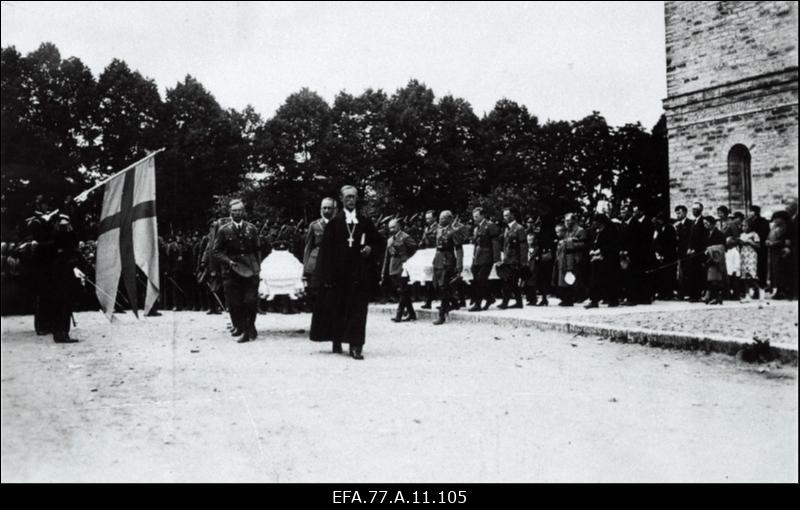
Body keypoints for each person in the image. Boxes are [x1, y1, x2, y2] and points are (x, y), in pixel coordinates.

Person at [310, 185, 380, 359]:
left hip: (359, 275)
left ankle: (356, 346)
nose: (351, 200)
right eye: (347, 197)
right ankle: (337, 340)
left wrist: (370, 248)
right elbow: (325, 253)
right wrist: (324, 277)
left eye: (353, 197)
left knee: (358, 310)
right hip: (339, 276)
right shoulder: (334, 223)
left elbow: (378, 242)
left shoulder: (364, 222)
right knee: (338, 308)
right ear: (341, 199)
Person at [212, 199, 261, 343]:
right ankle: (243, 329)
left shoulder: (251, 229)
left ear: (244, 212)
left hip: (250, 271)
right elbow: (216, 251)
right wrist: (228, 261)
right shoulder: (223, 230)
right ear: (230, 212)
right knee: (236, 303)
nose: (237, 213)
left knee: (250, 301)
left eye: (239, 210)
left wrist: (257, 268)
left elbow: (257, 249)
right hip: (232, 273)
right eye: (234, 211)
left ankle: (250, 326)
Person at [43, 213, 88, 343]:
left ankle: (59, 333)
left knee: (60, 306)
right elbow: (73, 251)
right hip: (64, 278)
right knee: (64, 306)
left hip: (58, 276)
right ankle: (62, 333)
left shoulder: (55, 243)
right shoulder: (68, 246)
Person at [430, 210, 464, 325]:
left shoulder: (454, 231)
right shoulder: (438, 230)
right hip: (438, 259)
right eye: (440, 218)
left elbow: (459, 249)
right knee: (436, 286)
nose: (440, 220)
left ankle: (442, 315)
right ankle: (454, 302)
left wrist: (459, 266)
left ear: (449, 219)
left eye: (444, 218)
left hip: (447, 260)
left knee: (444, 287)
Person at [381, 218, 418, 322]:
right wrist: (384, 272)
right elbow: (386, 257)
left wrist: (407, 260)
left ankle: (399, 315)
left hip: (403, 268)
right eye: (390, 228)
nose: (391, 229)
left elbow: (414, 248)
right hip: (393, 268)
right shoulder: (389, 240)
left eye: (393, 227)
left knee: (403, 291)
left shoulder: (405, 237)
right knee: (403, 292)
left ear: (399, 227)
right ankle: (412, 314)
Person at [303, 197, 335, 311]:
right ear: (320, 209)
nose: (326, 211)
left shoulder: (338, 224)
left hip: (333, 260)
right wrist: (305, 267)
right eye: (324, 208)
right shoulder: (314, 225)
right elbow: (308, 247)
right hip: (316, 260)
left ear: (334, 209)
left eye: (329, 208)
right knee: (315, 291)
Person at [469, 207, 501, 312]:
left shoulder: (490, 226)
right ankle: (489, 298)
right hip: (478, 257)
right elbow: (476, 244)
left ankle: (478, 304)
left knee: (481, 279)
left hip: (487, 257)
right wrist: (473, 257)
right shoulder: (477, 227)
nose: (474, 218)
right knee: (477, 280)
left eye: (476, 216)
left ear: (482, 215)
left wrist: (497, 259)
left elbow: (495, 243)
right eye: (474, 216)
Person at [585, 213, 620, 308]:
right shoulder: (595, 231)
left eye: (596, 221)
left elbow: (613, 244)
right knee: (594, 279)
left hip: (608, 259)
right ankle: (594, 300)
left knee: (609, 279)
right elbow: (591, 242)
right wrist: (592, 250)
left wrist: (601, 251)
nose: (594, 223)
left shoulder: (611, 230)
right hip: (596, 258)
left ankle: (613, 299)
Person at [496, 207, 527, 309]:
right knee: (511, 282)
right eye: (504, 215)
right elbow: (505, 246)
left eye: (506, 215)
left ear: (512, 215)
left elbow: (523, 247)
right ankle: (519, 302)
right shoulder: (506, 229)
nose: (504, 217)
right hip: (507, 260)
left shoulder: (519, 228)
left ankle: (505, 302)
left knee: (508, 281)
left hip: (515, 260)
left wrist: (523, 262)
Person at [766, 211, 792, 300]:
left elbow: (785, 240)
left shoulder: (786, 227)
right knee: (774, 271)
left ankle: (783, 291)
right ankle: (778, 290)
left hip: (780, 251)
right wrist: (768, 241)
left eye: (777, 218)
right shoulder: (775, 227)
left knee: (781, 271)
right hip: (773, 251)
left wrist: (774, 243)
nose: (775, 220)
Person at [653, 213, 678, 300]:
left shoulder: (669, 228)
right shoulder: (660, 228)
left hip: (669, 255)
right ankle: (663, 292)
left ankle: (668, 293)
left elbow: (670, 243)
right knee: (663, 274)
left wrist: (664, 253)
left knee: (669, 274)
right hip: (663, 254)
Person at [686, 202, 708, 302]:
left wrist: (696, 249)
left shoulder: (702, 222)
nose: (694, 211)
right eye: (693, 209)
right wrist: (689, 248)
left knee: (698, 274)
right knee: (692, 273)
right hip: (692, 253)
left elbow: (703, 239)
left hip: (699, 253)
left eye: (696, 209)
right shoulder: (693, 222)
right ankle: (692, 294)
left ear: (700, 210)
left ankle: (697, 294)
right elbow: (690, 238)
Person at [703, 215, 727, 305]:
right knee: (710, 279)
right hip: (709, 258)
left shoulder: (719, 234)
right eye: (704, 223)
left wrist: (710, 249)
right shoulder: (707, 233)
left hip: (716, 259)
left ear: (712, 224)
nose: (705, 225)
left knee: (715, 279)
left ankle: (716, 297)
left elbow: (722, 247)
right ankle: (712, 296)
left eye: (707, 223)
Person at [746, 205, 770, 288]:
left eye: (750, 211)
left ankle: (761, 285)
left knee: (761, 266)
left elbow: (763, 234)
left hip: (760, 247)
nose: (749, 213)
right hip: (753, 247)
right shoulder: (750, 221)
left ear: (754, 212)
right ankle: (756, 286)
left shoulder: (762, 221)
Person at [418, 210, 438, 309]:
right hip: (427, 255)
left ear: (435, 218)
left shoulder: (438, 228)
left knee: (437, 279)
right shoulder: (426, 229)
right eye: (426, 218)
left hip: (435, 254)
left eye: (429, 218)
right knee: (428, 278)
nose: (427, 220)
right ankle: (428, 301)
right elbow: (423, 240)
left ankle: (450, 301)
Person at [739, 218, 761, 299]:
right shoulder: (742, 235)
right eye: (742, 226)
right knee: (745, 276)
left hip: (751, 255)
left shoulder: (754, 234)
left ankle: (759, 289)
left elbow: (758, 246)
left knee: (752, 275)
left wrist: (750, 242)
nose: (743, 227)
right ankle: (747, 293)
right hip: (744, 255)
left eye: (745, 226)